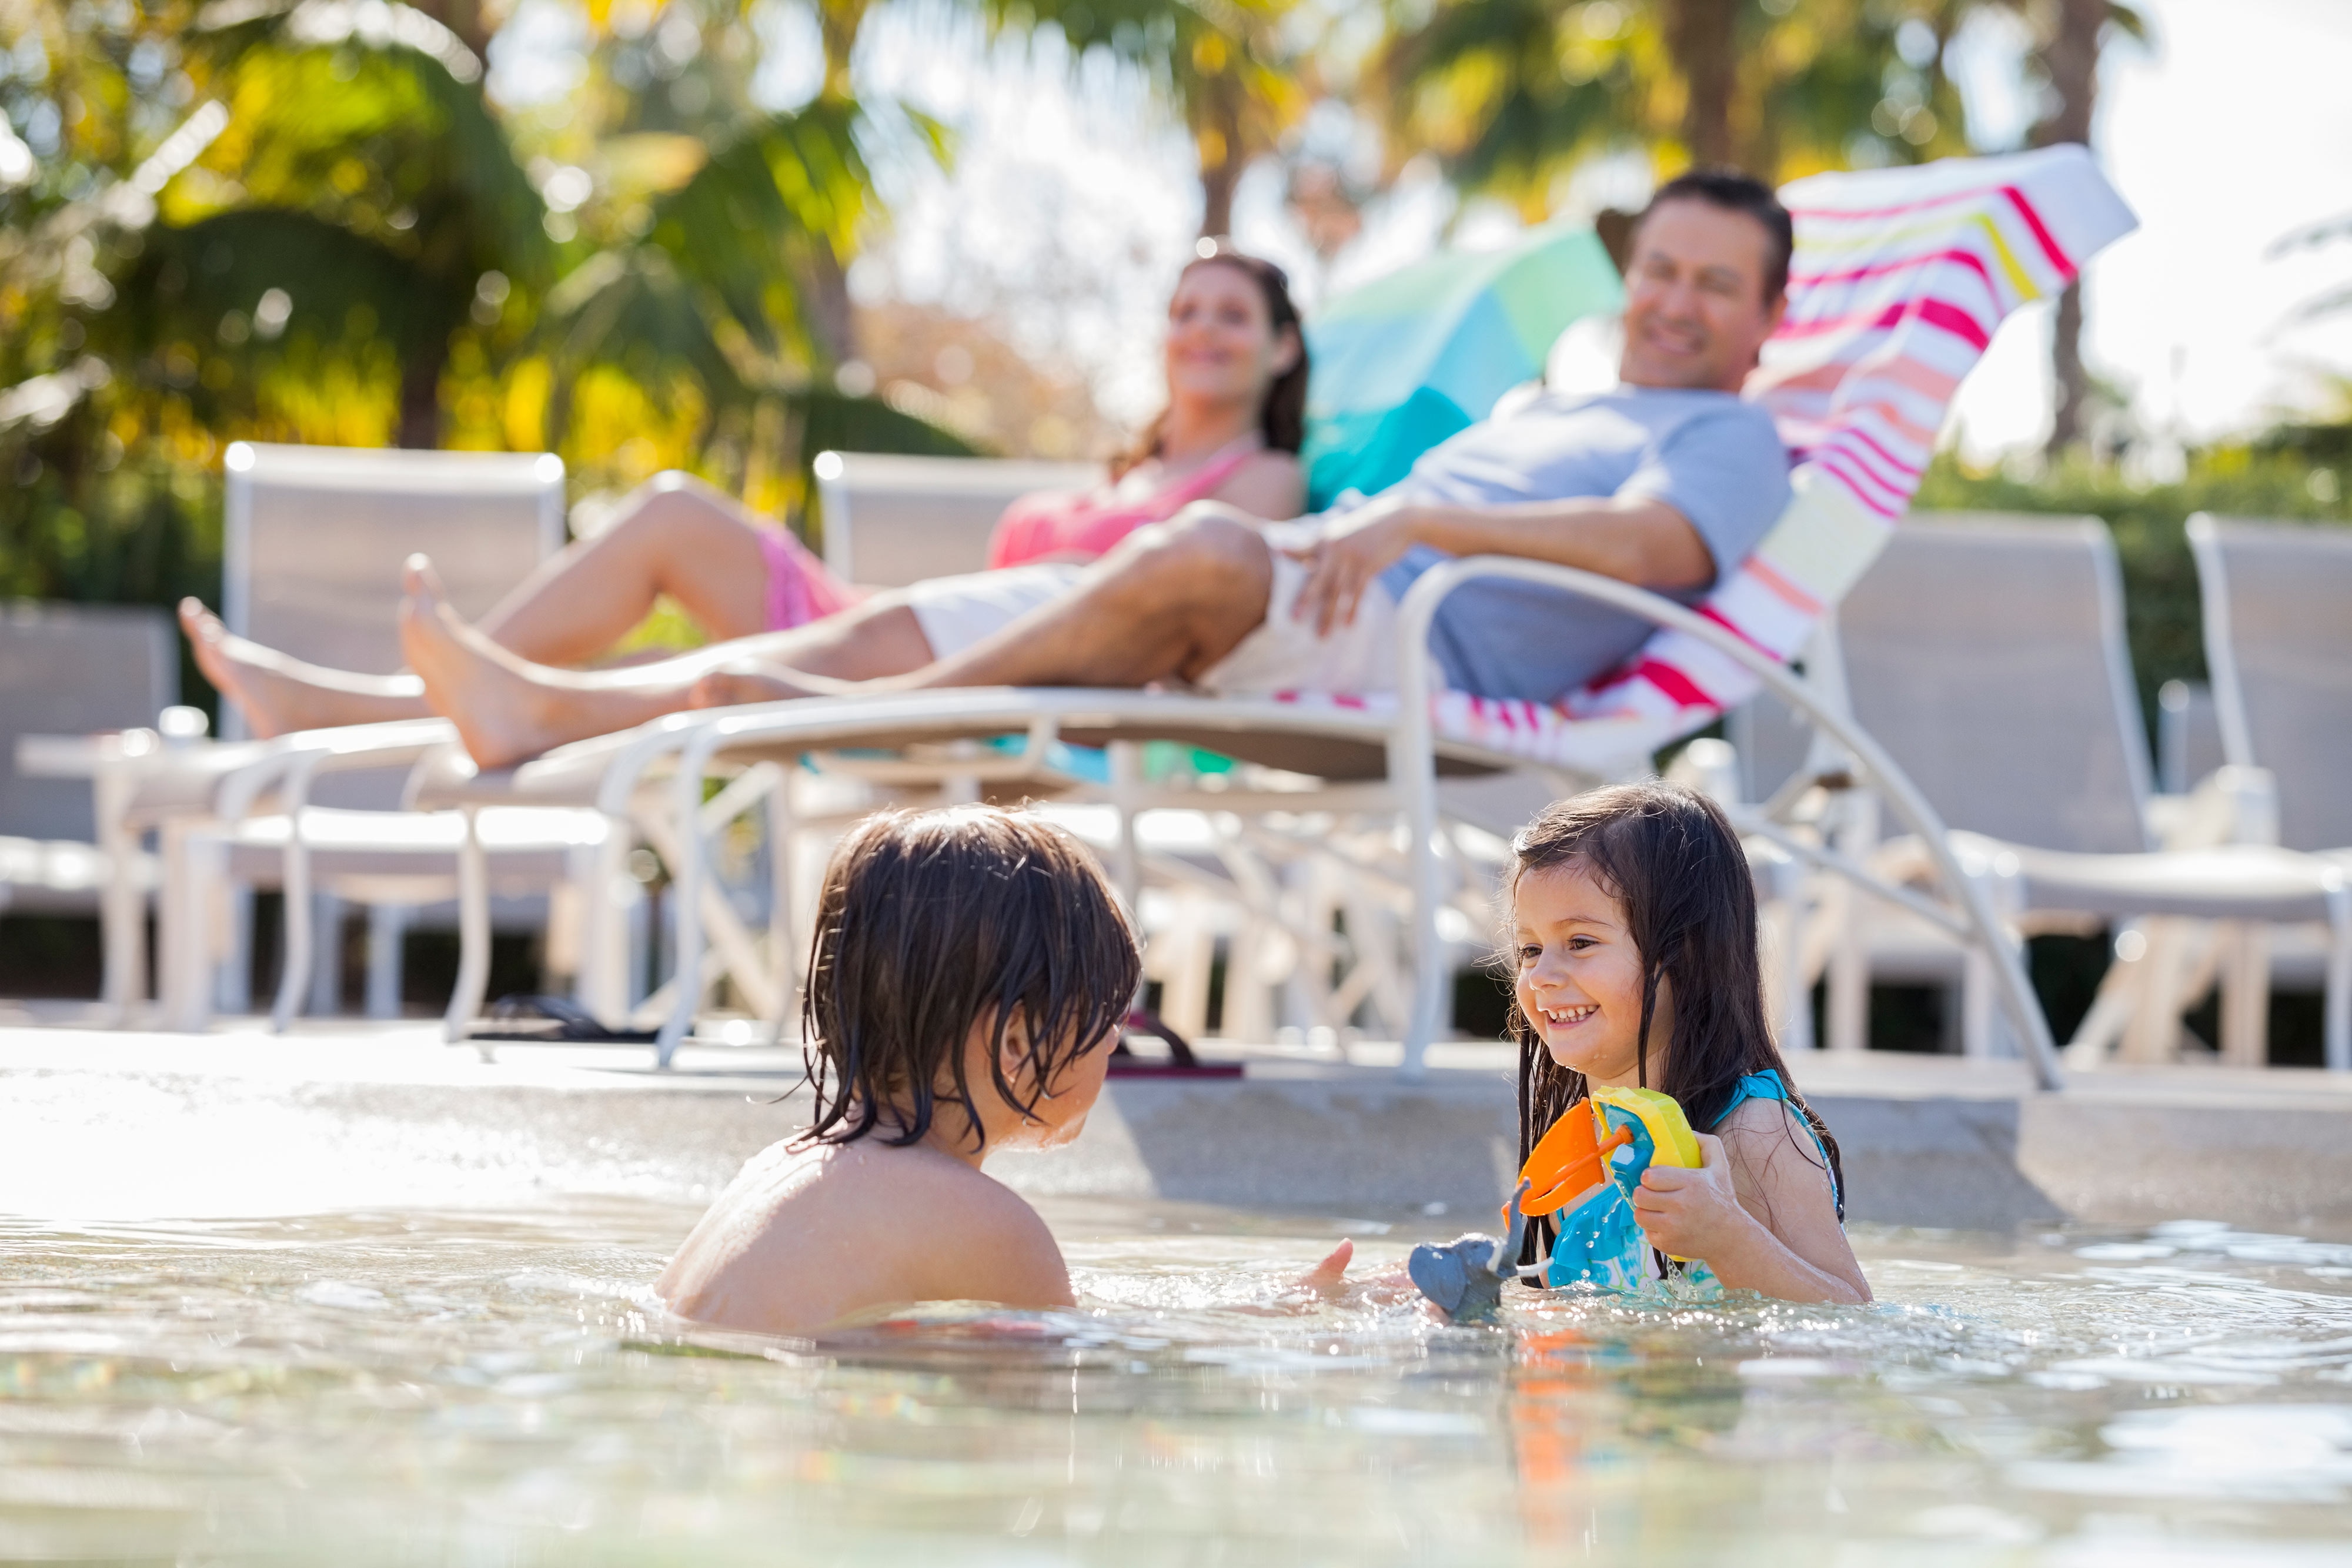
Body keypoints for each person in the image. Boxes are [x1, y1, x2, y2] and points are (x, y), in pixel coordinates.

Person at [334, 167, 1796, 769]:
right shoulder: (1548, 410)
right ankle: (549, 713)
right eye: (1659, 268)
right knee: (832, 642)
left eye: (1711, 284)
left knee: (1215, 553)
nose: (1672, 299)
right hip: (1263, 600)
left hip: (1400, 644)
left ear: (1763, 317)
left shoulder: (1732, 438)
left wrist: (1413, 511)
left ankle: (895, 725)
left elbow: (1661, 554)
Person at [178, 246, 1307, 739]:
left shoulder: (1256, 479)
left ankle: (362, 705)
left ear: (1283, 351)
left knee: (673, 665)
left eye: (1232, 316)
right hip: (915, 643)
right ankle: (379, 700)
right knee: (673, 512)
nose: (1200, 331)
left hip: (1015, 690)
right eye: (1185, 309)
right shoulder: (1115, 480)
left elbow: (1170, 616)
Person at [656, 804, 1350, 1334]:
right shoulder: (986, 1225)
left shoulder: (779, 1168)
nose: (1115, 1042)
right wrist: (1286, 1321)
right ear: (1017, 1042)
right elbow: (1063, 1385)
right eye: (1111, 1018)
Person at [1505, 783, 1868, 1304]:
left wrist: (1727, 1236)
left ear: (1686, 955)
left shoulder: (1752, 1132)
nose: (1541, 974)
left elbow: (1852, 1317)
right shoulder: (1587, 1148)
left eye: (1580, 942)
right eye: (1531, 948)